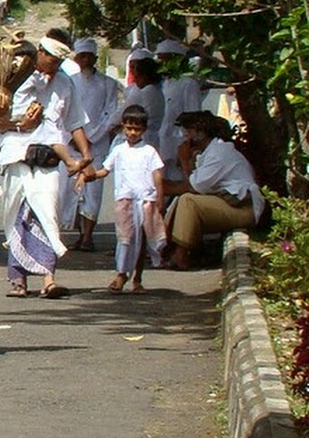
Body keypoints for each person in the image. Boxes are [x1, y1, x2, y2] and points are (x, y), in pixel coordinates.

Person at [0, 32, 91, 299]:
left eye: (60, 62)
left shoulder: (65, 84)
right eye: (52, 60)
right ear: (41, 53)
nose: (54, 66)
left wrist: (85, 154)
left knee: (47, 212)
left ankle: (49, 278)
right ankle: (18, 280)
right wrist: (20, 125)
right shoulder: (15, 79)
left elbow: (74, 122)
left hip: (49, 158)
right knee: (17, 215)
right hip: (17, 153)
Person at [76, 105, 165, 293]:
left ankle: (137, 279)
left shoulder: (149, 151)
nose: (132, 133)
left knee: (141, 241)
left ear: (144, 130)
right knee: (125, 239)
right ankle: (121, 274)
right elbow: (105, 170)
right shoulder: (118, 150)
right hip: (125, 201)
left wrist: (159, 197)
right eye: (129, 128)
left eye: (137, 129)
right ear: (123, 127)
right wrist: (88, 175)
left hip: (146, 200)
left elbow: (157, 174)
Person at [162, 111, 264, 270]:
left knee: (188, 201)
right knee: (182, 200)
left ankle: (181, 254)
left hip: (244, 208)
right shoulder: (209, 153)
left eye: (188, 132)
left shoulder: (219, 153)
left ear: (201, 134)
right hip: (229, 203)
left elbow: (195, 186)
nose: (185, 138)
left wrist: (184, 160)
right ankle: (168, 247)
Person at [65, 37, 120, 252]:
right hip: (72, 143)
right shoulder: (69, 81)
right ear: (76, 58)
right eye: (81, 56)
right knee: (74, 192)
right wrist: (75, 138)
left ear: (95, 58)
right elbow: (65, 112)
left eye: (89, 55)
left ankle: (88, 236)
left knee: (93, 192)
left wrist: (92, 136)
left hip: (97, 143)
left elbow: (111, 113)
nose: (85, 59)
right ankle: (80, 234)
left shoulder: (108, 83)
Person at [155, 38, 201, 181]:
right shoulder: (160, 84)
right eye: (160, 59)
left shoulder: (188, 84)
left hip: (178, 145)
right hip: (160, 144)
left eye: (165, 59)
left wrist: (187, 147)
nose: (162, 63)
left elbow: (193, 116)